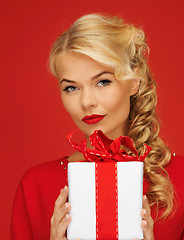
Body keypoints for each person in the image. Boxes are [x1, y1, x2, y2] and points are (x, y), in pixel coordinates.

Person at [10, 12, 184, 240]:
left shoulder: (179, 176)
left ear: (134, 81)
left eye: (103, 81)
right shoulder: (35, 186)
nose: (86, 101)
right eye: (71, 88)